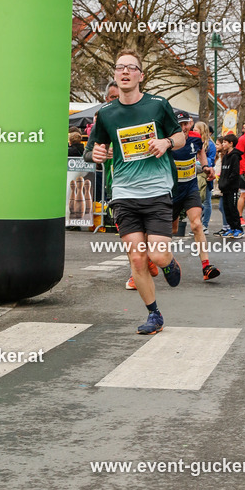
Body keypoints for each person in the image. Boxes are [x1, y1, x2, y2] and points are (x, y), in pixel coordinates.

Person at [91, 49, 185, 334]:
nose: (125, 72)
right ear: (116, 75)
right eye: (120, 67)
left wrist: (166, 143)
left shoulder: (157, 105)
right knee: (136, 258)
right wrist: (94, 154)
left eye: (131, 67)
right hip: (123, 192)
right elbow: (92, 149)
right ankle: (154, 314)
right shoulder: (106, 114)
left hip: (156, 190)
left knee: (156, 255)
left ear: (140, 75)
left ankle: (169, 263)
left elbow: (180, 136)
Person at [170, 112, 220, 281]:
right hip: (172, 190)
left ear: (190, 124)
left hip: (190, 187)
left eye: (186, 124)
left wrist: (206, 166)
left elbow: (200, 153)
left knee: (197, 224)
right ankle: (157, 259)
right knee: (172, 230)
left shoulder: (195, 137)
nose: (184, 128)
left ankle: (206, 266)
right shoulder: (169, 140)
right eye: (180, 124)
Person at [218, 134, 243, 237]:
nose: (223, 144)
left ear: (231, 143)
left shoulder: (235, 156)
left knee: (233, 208)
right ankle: (231, 228)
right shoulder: (225, 157)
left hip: (232, 188)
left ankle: (238, 229)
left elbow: (234, 173)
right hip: (225, 188)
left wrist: (227, 183)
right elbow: (223, 172)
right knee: (226, 208)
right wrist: (221, 183)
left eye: (225, 142)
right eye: (222, 142)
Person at [193, 120, 216, 232]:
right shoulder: (193, 142)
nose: (193, 131)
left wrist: (199, 164)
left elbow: (211, 161)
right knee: (197, 200)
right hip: (194, 175)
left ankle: (204, 225)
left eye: (196, 130)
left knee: (206, 200)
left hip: (204, 175)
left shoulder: (210, 145)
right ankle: (198, 223)